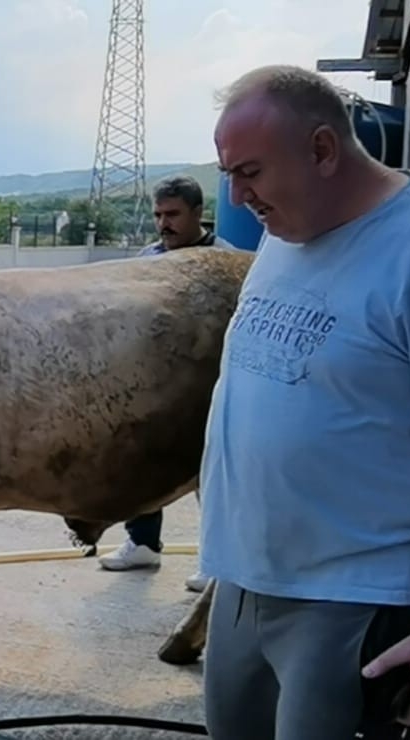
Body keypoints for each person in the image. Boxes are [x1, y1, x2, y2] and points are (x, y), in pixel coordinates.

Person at [198, 64, 410, 738]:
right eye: (229, 175)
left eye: (250, 172)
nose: (238, 196)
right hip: (244, 585)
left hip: (358, 597)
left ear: (321, 150)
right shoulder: (286, 230)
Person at [92, 174, 233, 595]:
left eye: (173, 214)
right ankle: (142, 543)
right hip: (155, 387)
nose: (163, 223)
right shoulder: (148, 260)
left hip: (207, 387)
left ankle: (215, 562)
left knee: (209, 472)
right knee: (144, 465)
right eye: (158, 215)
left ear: (198, 213)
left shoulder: (225, 262)